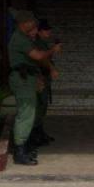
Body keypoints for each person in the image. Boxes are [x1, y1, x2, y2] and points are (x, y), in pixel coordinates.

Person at [8, 11, 61, 165]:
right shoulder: (19, 38)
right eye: (31, 23)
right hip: (22, 79)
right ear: (24, 23)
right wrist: (53, 50)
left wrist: (37, 78)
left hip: (27, 77)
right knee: (26, 112)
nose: (34, 26)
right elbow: (37, 56)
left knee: (30, 112)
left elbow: (32, 62)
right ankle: (19, 150)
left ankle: (24, 147)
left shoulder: (23, 38)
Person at [30, 18, 59, 148]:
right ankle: (35, 136)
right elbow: (42, 59)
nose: (49, 32)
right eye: (46, 30)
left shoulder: (41, 42)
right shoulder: (37, 43)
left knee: (42, 107)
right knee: (39, 107)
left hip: (43, 77)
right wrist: (53, 51)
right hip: (39, 77)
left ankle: (39, 133)